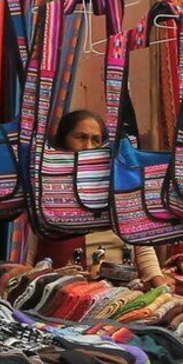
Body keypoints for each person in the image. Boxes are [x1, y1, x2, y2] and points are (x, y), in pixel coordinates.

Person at [35, 110, 125, 267]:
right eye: (81, 137)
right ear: (63, 139)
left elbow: (138, 241)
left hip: (115, 278)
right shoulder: (45, 182)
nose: (89, 147)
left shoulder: (114, 181)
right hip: (61, 277)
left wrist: (157, 280)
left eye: (96, 140)